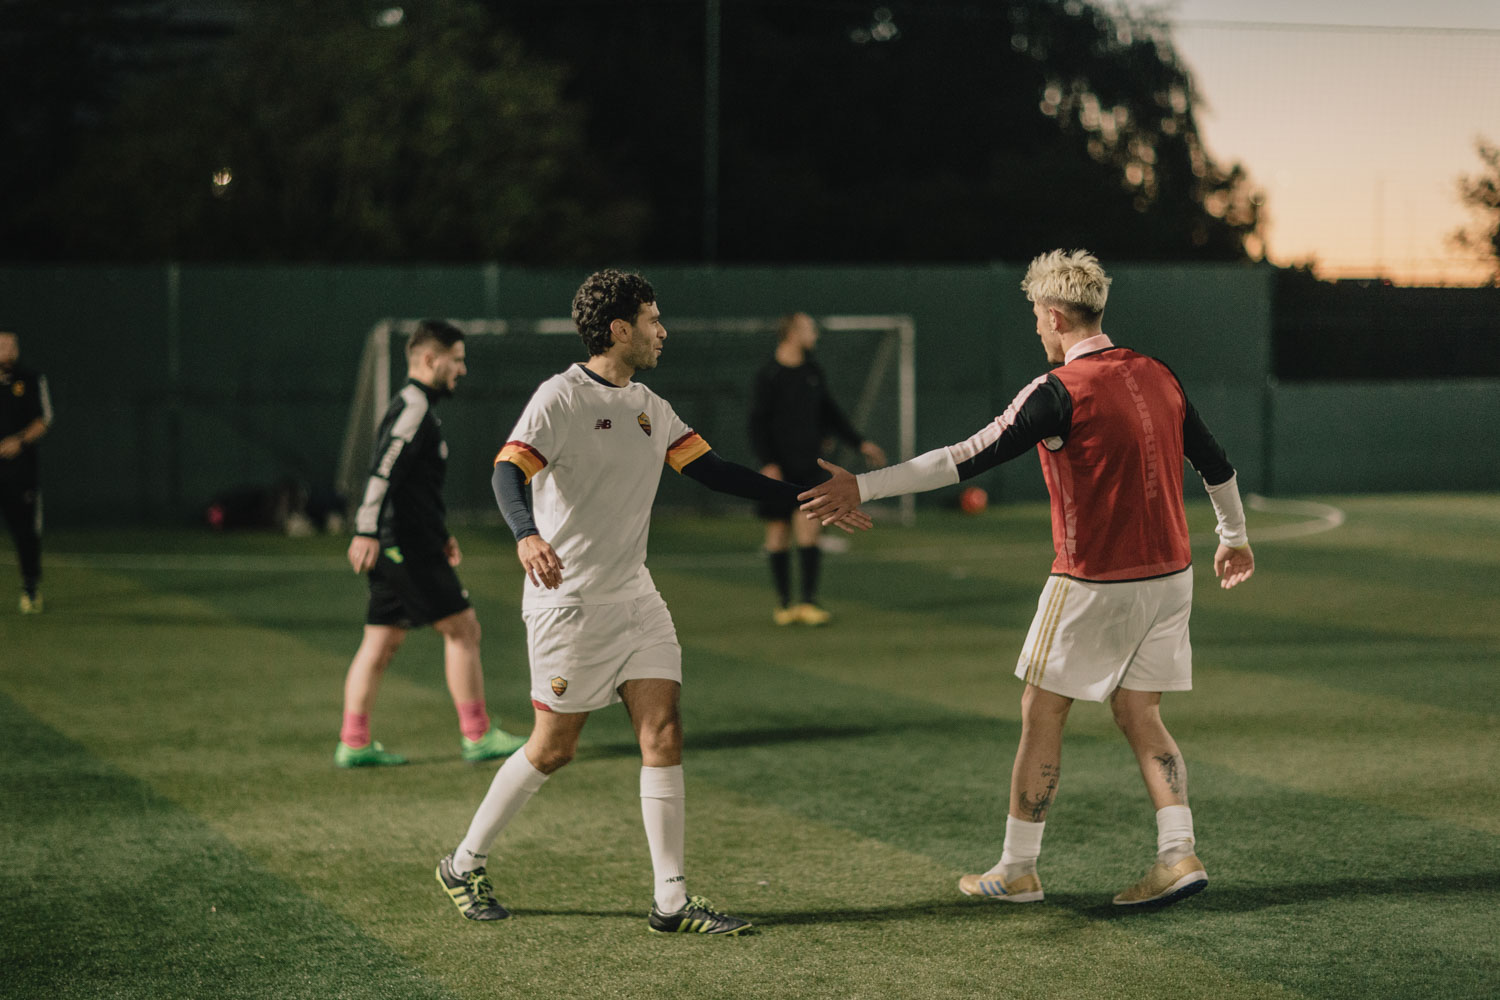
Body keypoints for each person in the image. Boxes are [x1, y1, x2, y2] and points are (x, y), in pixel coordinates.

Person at [800, 250, 1255, 909]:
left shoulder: (1057, 392)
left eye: (1036, 320)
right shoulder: (1157, 373)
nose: (1036, 331)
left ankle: (1018, 868)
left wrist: (861, 485)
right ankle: (1177, 853)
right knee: (1139, 711)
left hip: (1093, 582)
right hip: (1172, 578)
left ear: (1052, 315)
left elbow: (962, 459)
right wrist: (1235, 538)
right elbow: (1216, 463)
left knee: (1042, 712)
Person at [435, 270, 869, 935]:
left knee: (663, 730)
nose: (663, 330)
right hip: (569, 605)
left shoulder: (649, 405)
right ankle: (463, 863)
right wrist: (525, 535)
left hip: (635, 597)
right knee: (553, 749)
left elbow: (715, 471)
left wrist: (807, 498)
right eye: (654, 320)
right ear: (619, 329)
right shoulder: (561, 397)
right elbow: (506, 469)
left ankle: (672, 901)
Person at [338, 319, 526, 768]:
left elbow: (414, 488)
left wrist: (440, 534)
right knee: (464, 629)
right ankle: (478, 736)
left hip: (406, 543)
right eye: (456, 360)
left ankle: (354, 742)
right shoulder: (413, 408)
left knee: (380, 643)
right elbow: (383, 473)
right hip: (403, 547)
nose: (461, 369)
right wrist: (365, 529)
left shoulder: (417, 407)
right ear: (429, 359)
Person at [749, 312, 885, 625]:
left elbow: (830, 413)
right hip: (778, 470)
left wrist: (859, 442)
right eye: (810, 328)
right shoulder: (768, 375)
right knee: (778, 532)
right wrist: (768, 462)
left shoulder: (812, 371)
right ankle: (784, 604)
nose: (815, 334)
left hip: (808, 467)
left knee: (810, 529)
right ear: (793, 332)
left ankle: (808, 602)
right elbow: (756, 424)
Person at [0, 329, 53, 614]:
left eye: (12, 344)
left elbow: (43, 419)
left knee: (25, 532)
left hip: (19, 472)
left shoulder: (30, 380)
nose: (8, 349)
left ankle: (30, 589)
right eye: (2, 344)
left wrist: (18, 441)